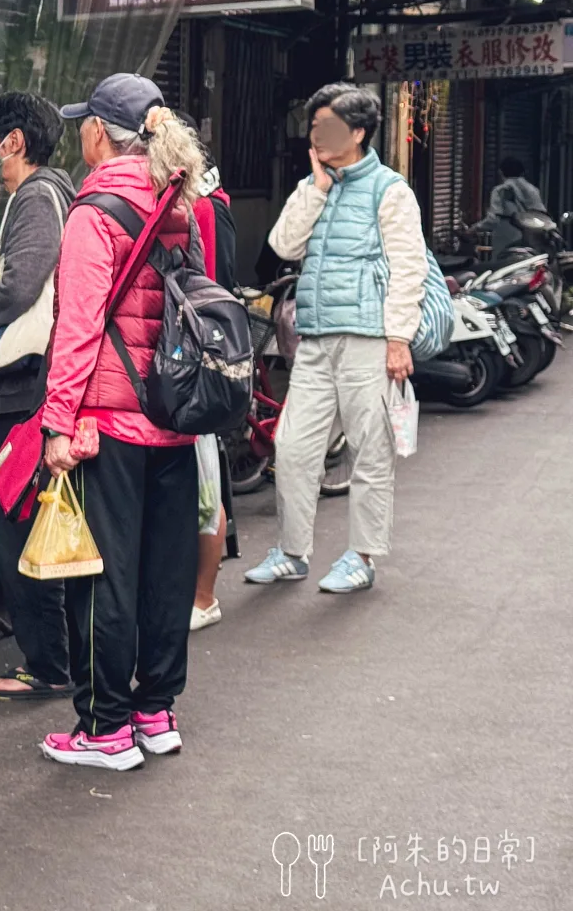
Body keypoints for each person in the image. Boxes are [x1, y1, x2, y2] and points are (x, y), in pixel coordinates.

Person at [36, 73, 208, 772]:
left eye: (84, 124)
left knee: (101, 575)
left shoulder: (94, 212)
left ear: (98, 133)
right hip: (174, 414)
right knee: (165, 573)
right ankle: (155, 712)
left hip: (107, 424)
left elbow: (78, 327)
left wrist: (57, 421)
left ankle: (105, 728)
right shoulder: (181, 203)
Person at [245, 83, 425, 594]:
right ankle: (292, 552)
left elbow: (408, 268)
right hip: (316, 337)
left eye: (327, 126)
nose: (317, 135)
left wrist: (398, 339)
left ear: (359, 132)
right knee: (292, 446)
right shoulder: (316, 185)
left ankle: (362, 557)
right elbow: (282, 245)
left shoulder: (390, 190)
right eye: (314, 126)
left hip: (369, 339)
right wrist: (317, 188)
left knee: (370, 451)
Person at [0, 91, 75, 702]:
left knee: (19, 528)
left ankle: (47, 665)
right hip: (42, 382)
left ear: (14, 142)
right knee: (36, 523)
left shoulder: (34, 195)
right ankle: (58, 658)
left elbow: (23, 283)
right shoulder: (57, 192)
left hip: (29, 385)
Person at [188, 137, 237, 633]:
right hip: (195, 359)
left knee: (204, 490)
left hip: (194, 362)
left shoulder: (201, 207)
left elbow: (205, 286)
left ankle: (204, 597)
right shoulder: (211, 200)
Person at [483, 157, 546, 255]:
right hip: (533, 237)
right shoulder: (533, 190)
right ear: (523, 172)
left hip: (508, 238)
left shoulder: (501, 190)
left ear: (501, 172)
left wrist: (474, 229)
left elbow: (493, 220)